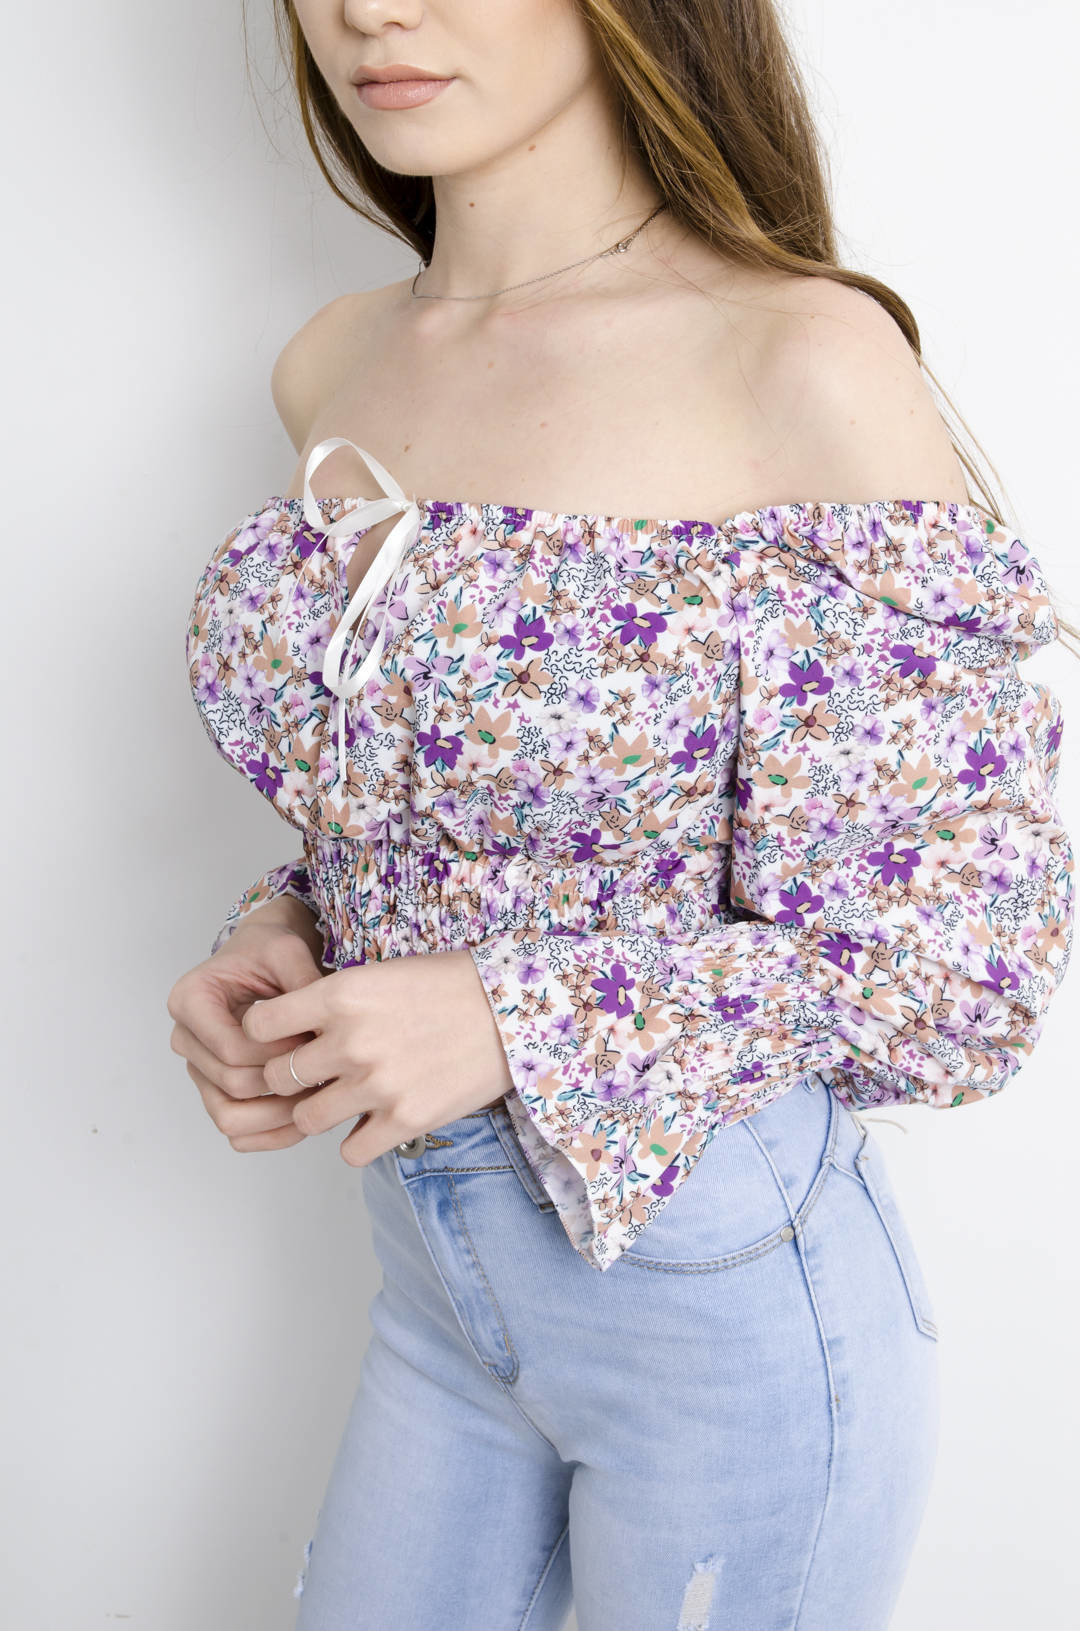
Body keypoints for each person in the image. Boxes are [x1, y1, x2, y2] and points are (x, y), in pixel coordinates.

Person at [166, 3, 1075, 1627]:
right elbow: (432, 791)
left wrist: (510, 1015)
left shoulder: (797, 357)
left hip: (716, 1300)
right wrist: (283, 929)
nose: (371, 8)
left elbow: (960, 963)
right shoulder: (336, 361)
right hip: (439, 1288)